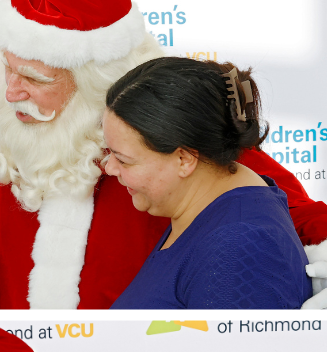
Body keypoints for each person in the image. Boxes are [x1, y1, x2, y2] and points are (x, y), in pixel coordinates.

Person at [0, 0, 327, 308]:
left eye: (35, 78)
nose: (11, 92)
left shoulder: (162, 121)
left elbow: (273, 210)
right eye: (8, 68)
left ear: (92, 81)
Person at [104, 58, 312, 308]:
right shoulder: (206, 211)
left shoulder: (237, 247)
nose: (109, 168)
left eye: (123, 160)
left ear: (184, 159)